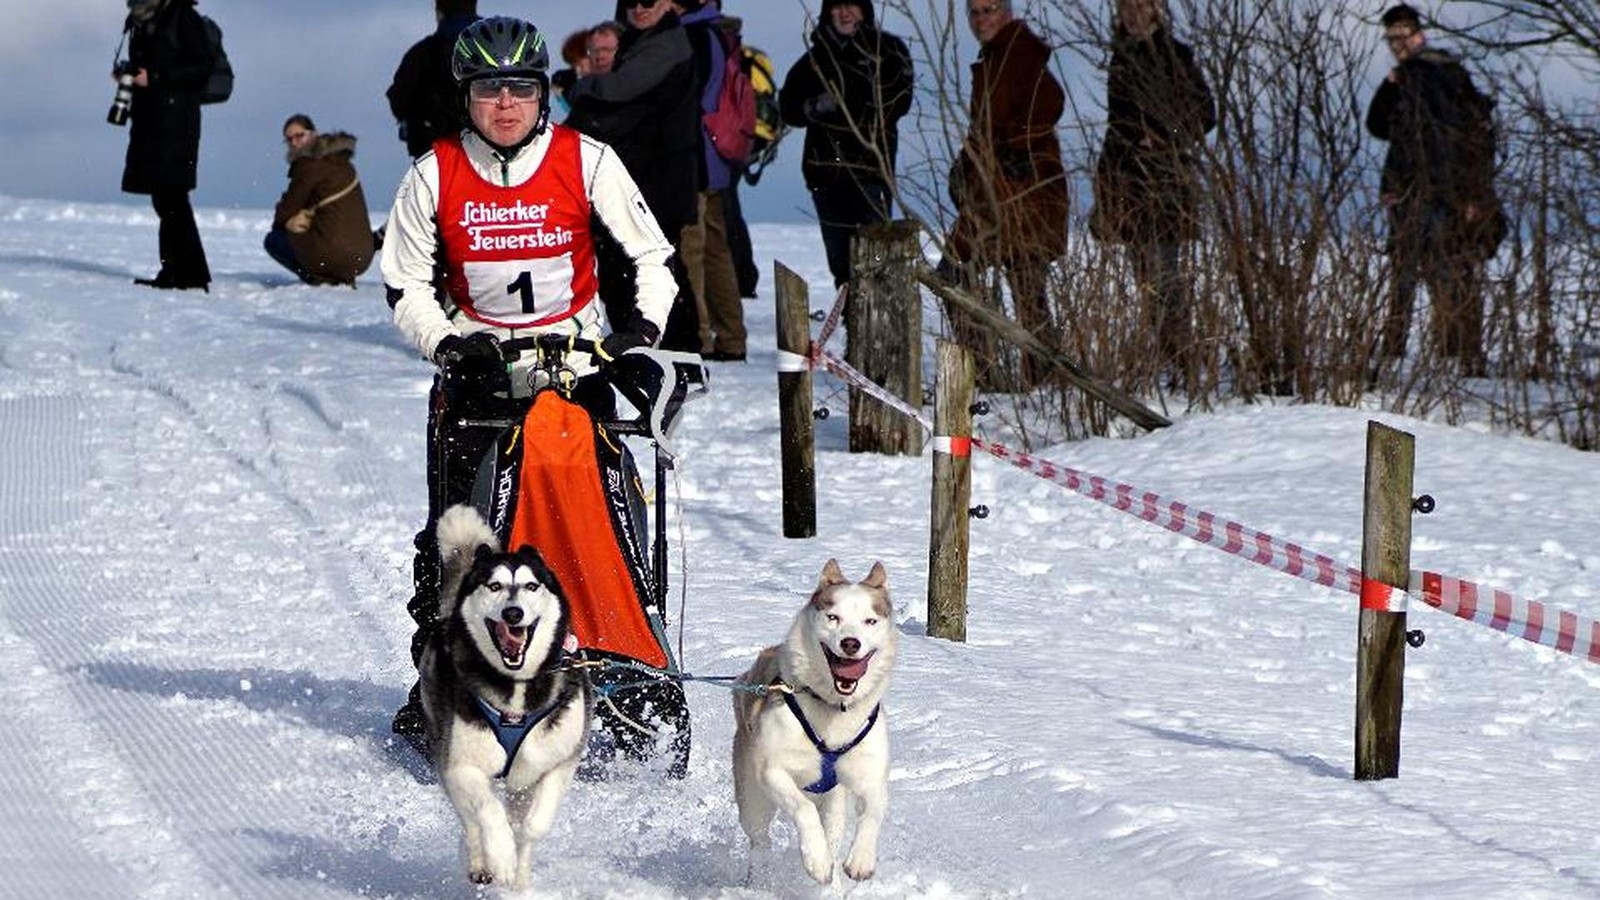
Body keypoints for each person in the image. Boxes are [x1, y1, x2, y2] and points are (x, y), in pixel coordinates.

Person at [380, 17, 680, 747]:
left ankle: (623, 647)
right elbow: (403, 285)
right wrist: (449, 346)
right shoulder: (433, 173)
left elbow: (652, 262)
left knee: (604, 516)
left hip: (576, 370)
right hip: (479, 374)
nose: (506, 103)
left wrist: (638, 342)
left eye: (522, 86)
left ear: (545, 93)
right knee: (459, 536)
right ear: (466, 96)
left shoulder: (588, 160)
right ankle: (442, 678)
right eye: (489, 88)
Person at [1366, 3, 1502, 377]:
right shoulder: (1407, 78)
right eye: (1390, 39)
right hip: (1413, 195)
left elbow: (1476, 138)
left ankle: (1459, 358)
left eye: (1402, 36)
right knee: (1407, 276)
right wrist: (1389, 85)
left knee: (1448, 275)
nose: (1396, 44)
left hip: (1446, 195)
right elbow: (1378, 127)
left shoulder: (1445, 75)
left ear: (1418, 33)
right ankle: (1401, 355)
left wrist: (1476, 195)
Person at [941, 0, 1071, 390]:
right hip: (994, 194)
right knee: (960, 275)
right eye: (975, 12)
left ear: (1007, 13)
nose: (982, 19)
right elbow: (985, 128)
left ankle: (1033, 378)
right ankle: (991, 372)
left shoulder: (1020, 53)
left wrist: (1019, 148)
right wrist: (965, 166)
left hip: (1024, 195)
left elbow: (1051, 100)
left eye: (990, 9)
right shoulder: (995, 58)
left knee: (1018, 284)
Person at [564, 1, 704, 353]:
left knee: (652, 266)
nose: (640, 7)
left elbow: (622, 97)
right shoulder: (642, 41)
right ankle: (654, 348)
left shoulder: (665, 45)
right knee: (631, 268)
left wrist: (582, 93)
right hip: (645, 180)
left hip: (657, 182)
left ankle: (671, 350)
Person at [1088, 0, 1215, 382]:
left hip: (1166, 184)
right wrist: (1105, 188)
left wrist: (1163, 137)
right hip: (1128, 184)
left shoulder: (1175, 55)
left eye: (1142, 5)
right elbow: (1117, 127)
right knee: (1147, 281)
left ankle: (1183, 364)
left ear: (1158, 8)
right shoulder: (1121, 57)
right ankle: (1170, 362)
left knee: (1166, 280)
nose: (1133, 13)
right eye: (1126, 6)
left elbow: (1205, 114)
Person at [779, 0, 913, 290]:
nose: (845, 12)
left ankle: (878, 330)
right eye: (837, 6)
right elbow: (787, 107)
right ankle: (852, 326)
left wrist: (853, 100)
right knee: (842, 267)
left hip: (870, 173)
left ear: (865, 11)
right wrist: (814, 106)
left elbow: (900, 100)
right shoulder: (815, 58)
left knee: (876, 264)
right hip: (825, 176)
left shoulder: (887, 51)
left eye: (852, 5)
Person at [119, 0, 214, 291]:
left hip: (176, 123)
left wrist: (156, 78)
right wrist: (130, 75)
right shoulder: (144, 19)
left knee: (172, 197)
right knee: (166, 198)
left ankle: (186, 274)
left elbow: (202, 66)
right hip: (153, 120)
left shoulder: (181, 16)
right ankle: (181, 271)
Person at [672, 0, 747, 361]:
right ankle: (731, 336)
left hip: (697, 157)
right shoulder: (722, 32)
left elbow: (693, 97)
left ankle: (699, 336)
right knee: (716, 247)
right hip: (717, 158)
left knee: (693, 247)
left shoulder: (694, 34)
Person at [263, 115, 375, 286]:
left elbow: (288, 208)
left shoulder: (310, 165)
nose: (294, 142)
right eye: (289, 139)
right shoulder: (341, 162)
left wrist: (283, 225)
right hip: (363, 257)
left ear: (313, 134)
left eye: (299, 136)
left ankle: (319, 278)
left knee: (274, 240)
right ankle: (337, 273)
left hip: (335, 254)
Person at [387, 0, 481, 159]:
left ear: (439, 12)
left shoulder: (422, 53)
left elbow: (398, 98)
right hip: (489, 155)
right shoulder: (497, 48)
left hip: (435, 153)